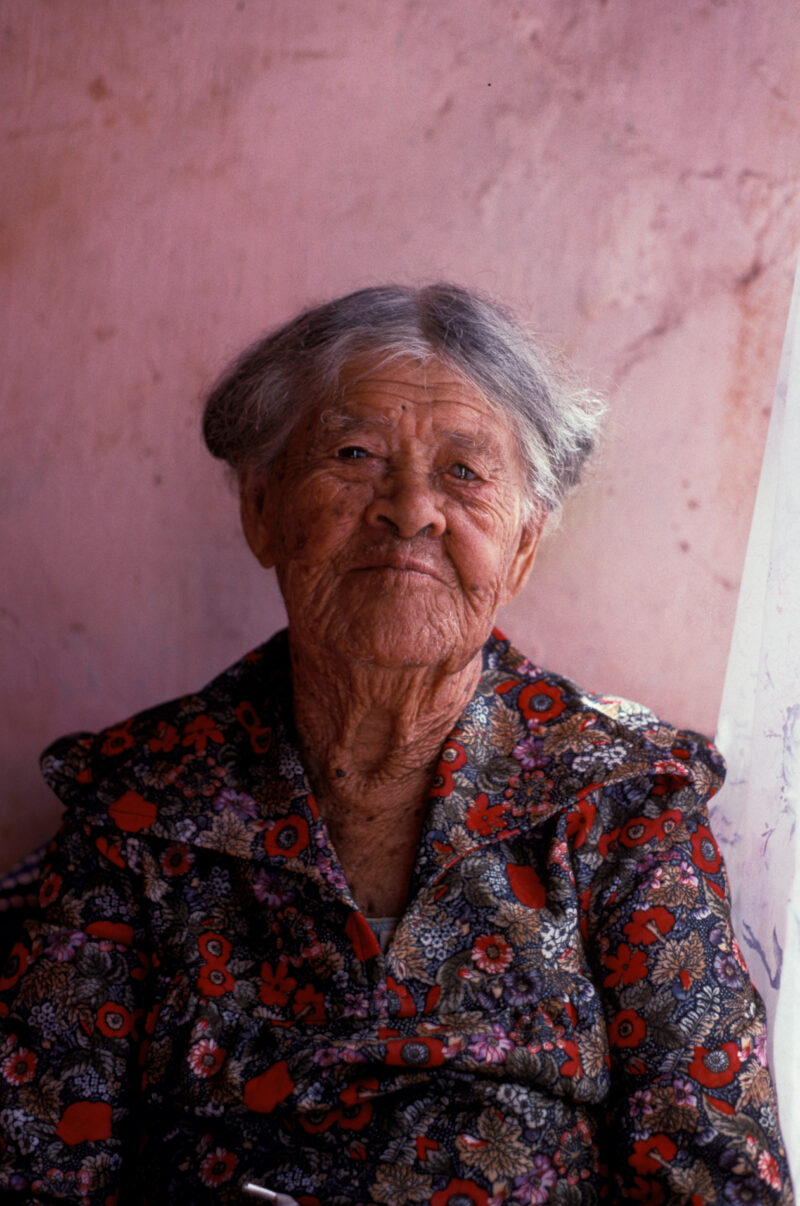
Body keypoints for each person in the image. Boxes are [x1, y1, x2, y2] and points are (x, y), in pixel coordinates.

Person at [0, 284, 792, 1205]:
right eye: (354, 454)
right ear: (261, 509)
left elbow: (715, 1180)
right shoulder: (136, 803)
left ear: (524, 547)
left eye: (464, 472)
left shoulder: (625, 797)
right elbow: (38, 1163)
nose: (410, 509)